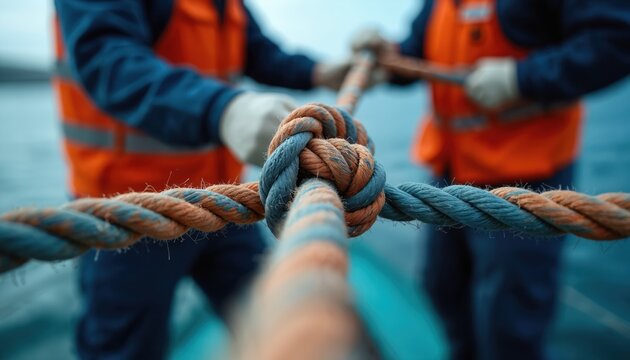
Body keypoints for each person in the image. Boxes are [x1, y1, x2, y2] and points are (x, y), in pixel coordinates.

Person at [52, 0, 351, 358]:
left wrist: (321, 71)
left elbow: (260, 54)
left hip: (224, 205)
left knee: (277, 314)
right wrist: (222, 109)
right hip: (128, 216)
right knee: (123, 350)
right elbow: (110, 62)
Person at [352, 0, 630, 358]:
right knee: (444, 289)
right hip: (449, 176)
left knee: (510, 320)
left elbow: (617, 38)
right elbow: (416, 52)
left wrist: (522, 79)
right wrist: (385, 56)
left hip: (526, 176)